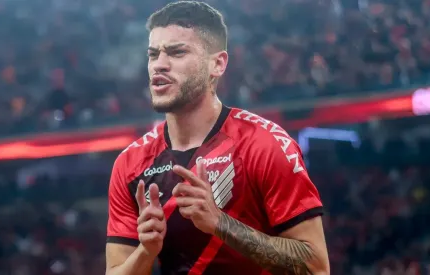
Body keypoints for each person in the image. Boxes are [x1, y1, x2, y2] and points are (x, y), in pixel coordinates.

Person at [105, 1, 330, 275]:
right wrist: (146, 251)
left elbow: (316, 267)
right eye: (153, 55)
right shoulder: (130, 164)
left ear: (217, 64)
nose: (159, 65)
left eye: (177, 52)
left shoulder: (264, 144)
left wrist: (220, 224)